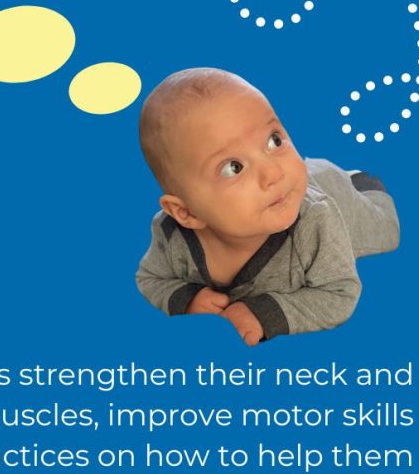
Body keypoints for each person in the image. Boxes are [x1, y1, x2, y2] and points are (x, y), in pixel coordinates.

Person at [135, 68, 399, 343]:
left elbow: (340, 293)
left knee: (387, 231)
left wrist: (264, 313)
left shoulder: (316, 219)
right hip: (297, 186)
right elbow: (150, 279)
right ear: (185, 212)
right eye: (233, 168)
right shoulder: (171, 235)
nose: (273, 172)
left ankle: (362, 181)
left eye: (274, 140)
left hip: (332, 189)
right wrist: (186, 299)